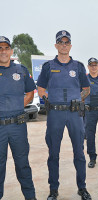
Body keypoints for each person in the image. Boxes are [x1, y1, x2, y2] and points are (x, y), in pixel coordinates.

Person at [37, 30, 92, 200]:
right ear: (56, 45)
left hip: (75, 115)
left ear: (70, 45)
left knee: (79, 153)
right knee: (53, 153)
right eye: (61, 42)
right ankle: (54, 189)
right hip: (55, 115)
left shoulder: (78, 66)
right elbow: (40, 89)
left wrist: (78, 100)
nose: (64, 45)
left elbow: (86, 89)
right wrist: (49, 101)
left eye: (67, 42)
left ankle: (82, 188)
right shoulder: (48, 67)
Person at [0, 36, 37, 200]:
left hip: (17, 126)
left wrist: (17, 105)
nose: (3, 51)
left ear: (11, 51)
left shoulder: (21, 70)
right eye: (0, 48)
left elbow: (30, 93)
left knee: (22, 165)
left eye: (6, 48)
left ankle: (30, 197)